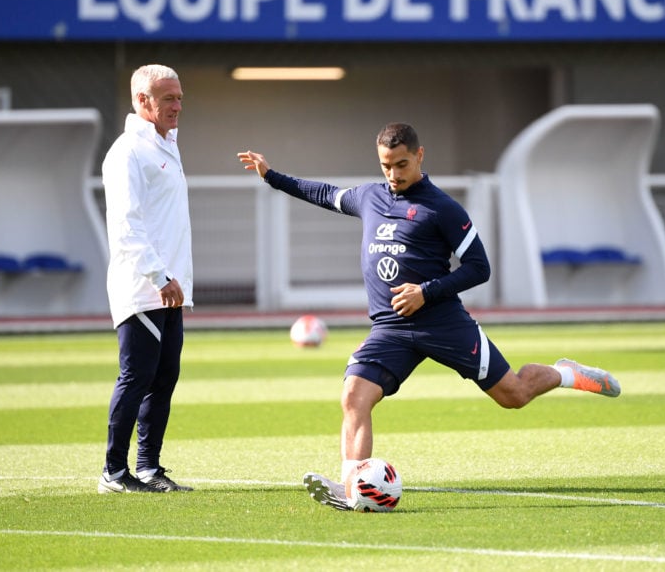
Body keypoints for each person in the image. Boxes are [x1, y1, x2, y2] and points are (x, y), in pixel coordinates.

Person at [237, 122, 621, 512]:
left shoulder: (444, 209)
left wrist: (426, 292)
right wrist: (272, 176)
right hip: (390, 327)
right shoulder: (368, 197)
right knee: (354, 395)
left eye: (401, 164)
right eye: (386, 165)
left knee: (515, 395)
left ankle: (567, 373)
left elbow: (479, 268)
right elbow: (322, 193)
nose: (394, 174)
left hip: (442, 323)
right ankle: (351, 485)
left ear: (420, 156)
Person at [98, 64, 195, 493]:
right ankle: (114, 473)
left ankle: (149, 468)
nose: (177, 105)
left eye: (179, 97)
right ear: (143, 101)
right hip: (143, 287)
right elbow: (126, 225)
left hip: (171, 289)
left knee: (164, 378)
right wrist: (159, 275)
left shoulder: (166, 144)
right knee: (136, 377)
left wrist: (176, 279)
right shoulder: (127, 152)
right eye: (168, 98)